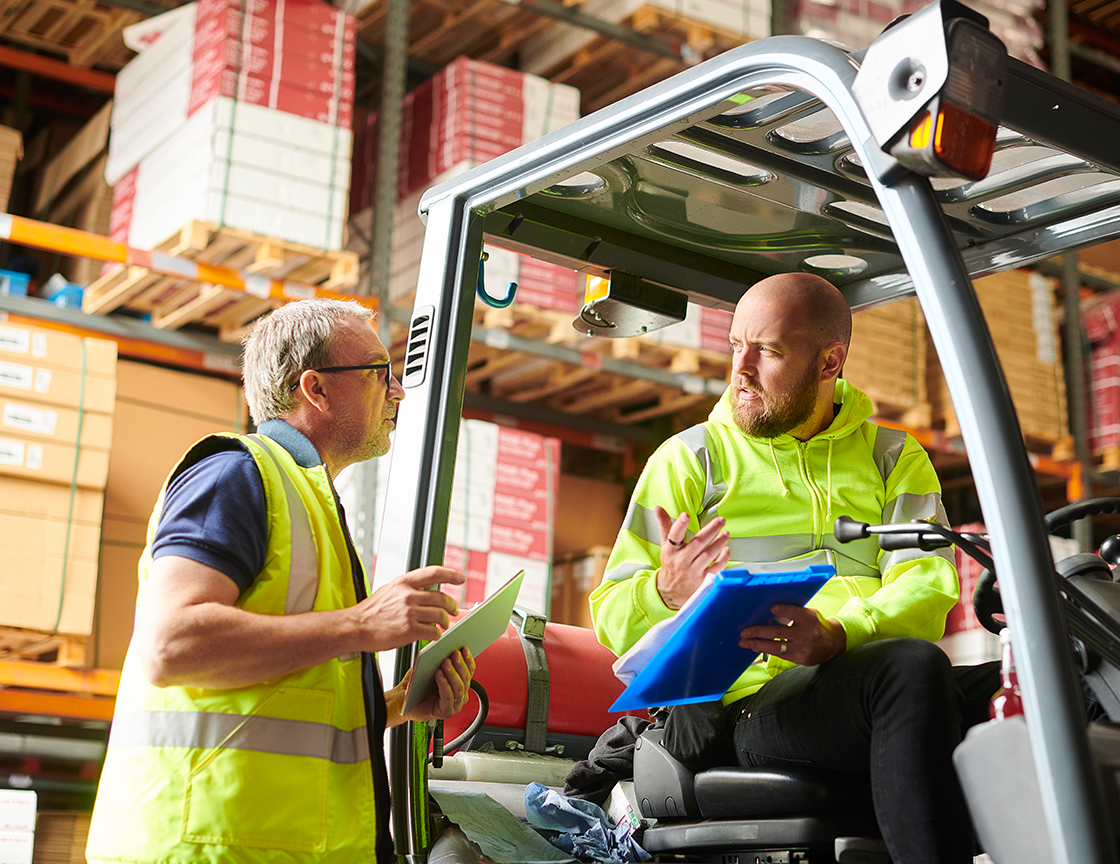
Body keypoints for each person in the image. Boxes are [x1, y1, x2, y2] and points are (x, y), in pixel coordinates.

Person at [590, 272, 1000, 864]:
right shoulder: (690, 460)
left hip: (854, 672)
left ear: (831, 361)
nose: (742, 369)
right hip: (752, 703)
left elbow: (928, 585)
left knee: (1066, 675)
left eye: (770, 351)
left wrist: (841, 634)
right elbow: (609, 615)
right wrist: (663, 591)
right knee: (911, 670)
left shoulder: (893, 458)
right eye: (736, 345)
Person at [87, 298, 474, 864]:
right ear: (314, 389)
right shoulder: (235, 474)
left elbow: (282, 701)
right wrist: (362, 625)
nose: (397, 392)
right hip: (209, 849)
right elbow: (171, 645)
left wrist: (395, 704)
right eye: (379, 374)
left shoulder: (307, 500)